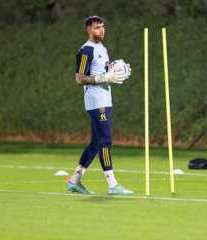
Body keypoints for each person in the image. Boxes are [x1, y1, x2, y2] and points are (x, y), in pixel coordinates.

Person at [67, 16, 133, 195]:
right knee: (106, 140)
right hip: (96, 101)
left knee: (96, 143)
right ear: (89, 30)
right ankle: (112, 185)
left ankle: (75, 181)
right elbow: (80, 79)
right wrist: (105, 77)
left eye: (103, 27)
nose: (101, 30)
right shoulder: (86, 50)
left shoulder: (102, 48)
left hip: (105, 99)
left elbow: (102, 72)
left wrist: (116, 70)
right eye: (97, 28)